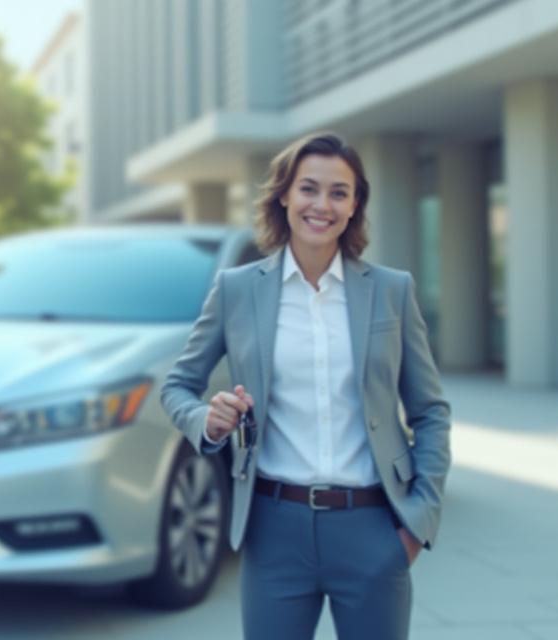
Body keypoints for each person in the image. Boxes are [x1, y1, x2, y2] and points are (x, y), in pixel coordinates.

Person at [161, 132, 451, 640]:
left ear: (355, 205)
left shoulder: (392, 290)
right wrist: (206, 420)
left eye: (339, 193)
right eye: (308, 189)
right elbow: (178, 386)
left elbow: (429, 411)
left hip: (372, 526)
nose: (322, 205)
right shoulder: (236, 289)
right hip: (274, 529)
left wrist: (417, 522)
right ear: (284, 195)